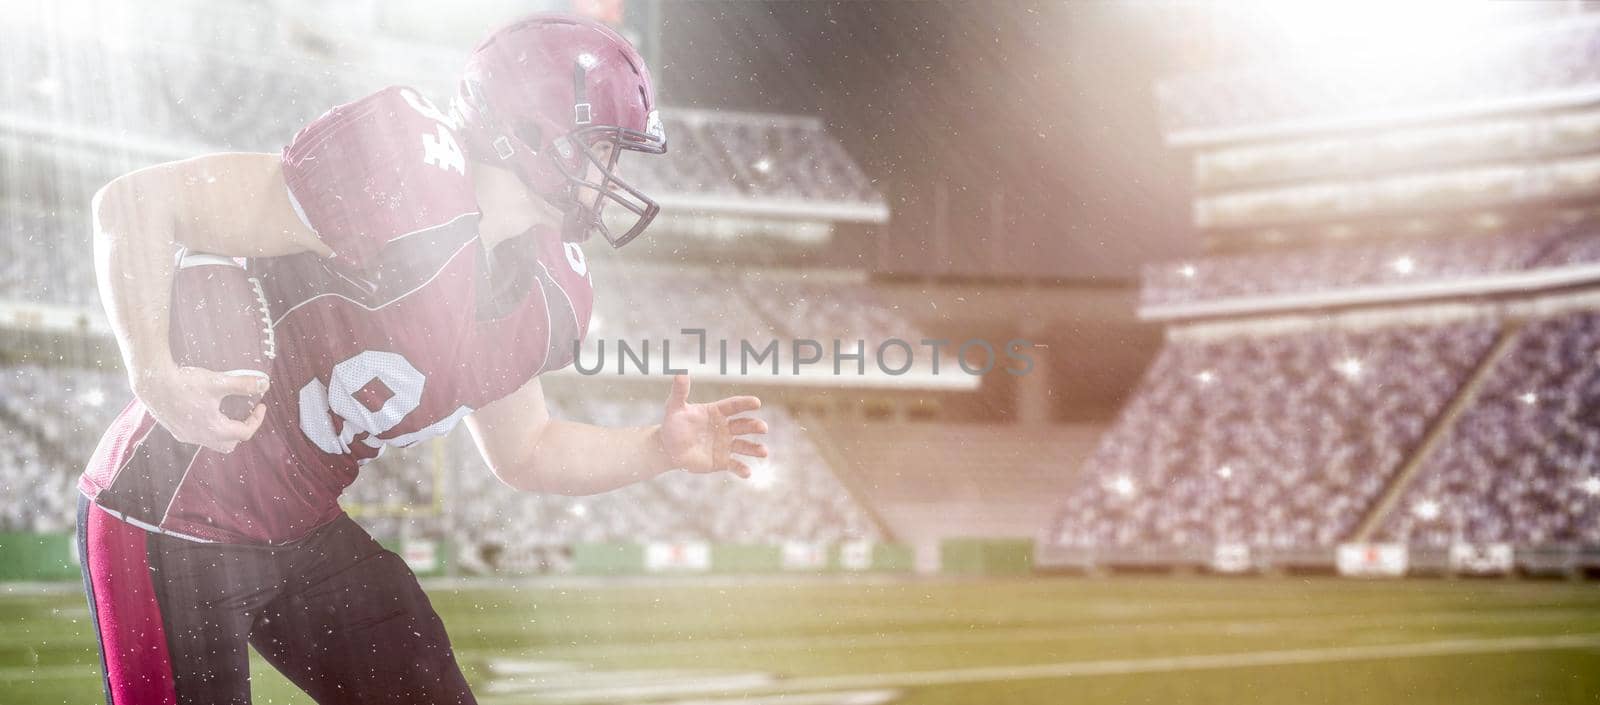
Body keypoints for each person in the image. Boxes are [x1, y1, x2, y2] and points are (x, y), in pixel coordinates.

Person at [76, 14, 767, 705]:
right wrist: (155, 376)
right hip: (170, 509)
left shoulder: (545, 283)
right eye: (601, 148)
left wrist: (658, 447)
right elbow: (136, 203)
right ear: (535, 133)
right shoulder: (403, 164)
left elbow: (527, 448)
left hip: (298, 524)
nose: (611, 173)